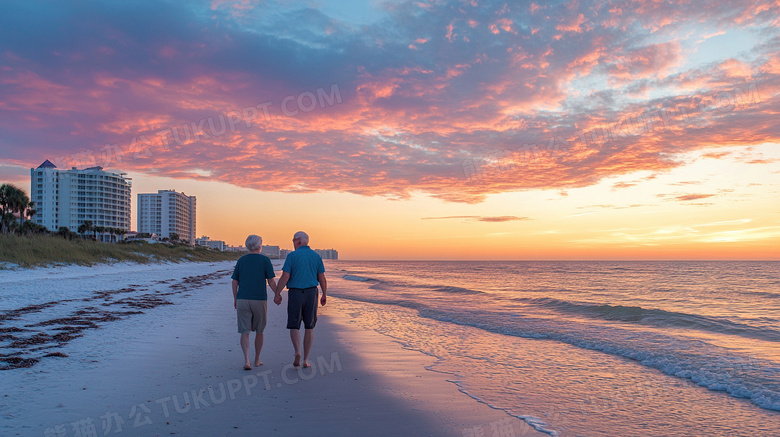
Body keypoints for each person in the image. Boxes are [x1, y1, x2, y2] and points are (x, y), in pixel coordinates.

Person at [273, 231, 327, 368]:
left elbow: (285, 276)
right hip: (311, 293)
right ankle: (306, 360)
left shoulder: (292, 256)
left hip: (295, 293)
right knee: (309, 326)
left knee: (294, 325)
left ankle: (297, 351)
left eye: (293, 240)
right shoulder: (316, 256)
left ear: (298, 241)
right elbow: (322, 278)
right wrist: (324, 294)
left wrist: (277, 293)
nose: (292, 243)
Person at [231, 235, 277, 370]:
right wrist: (277, 294)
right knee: (259, 330)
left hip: (243, 299)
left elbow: (234, 282)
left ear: (247, 245)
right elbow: (271, 281)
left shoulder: (241, 260)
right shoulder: (265, 260)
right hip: (259, 299)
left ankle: (246, 360)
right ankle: (257, 360)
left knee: (244, 331)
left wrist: (235, 299)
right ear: (260, 245)